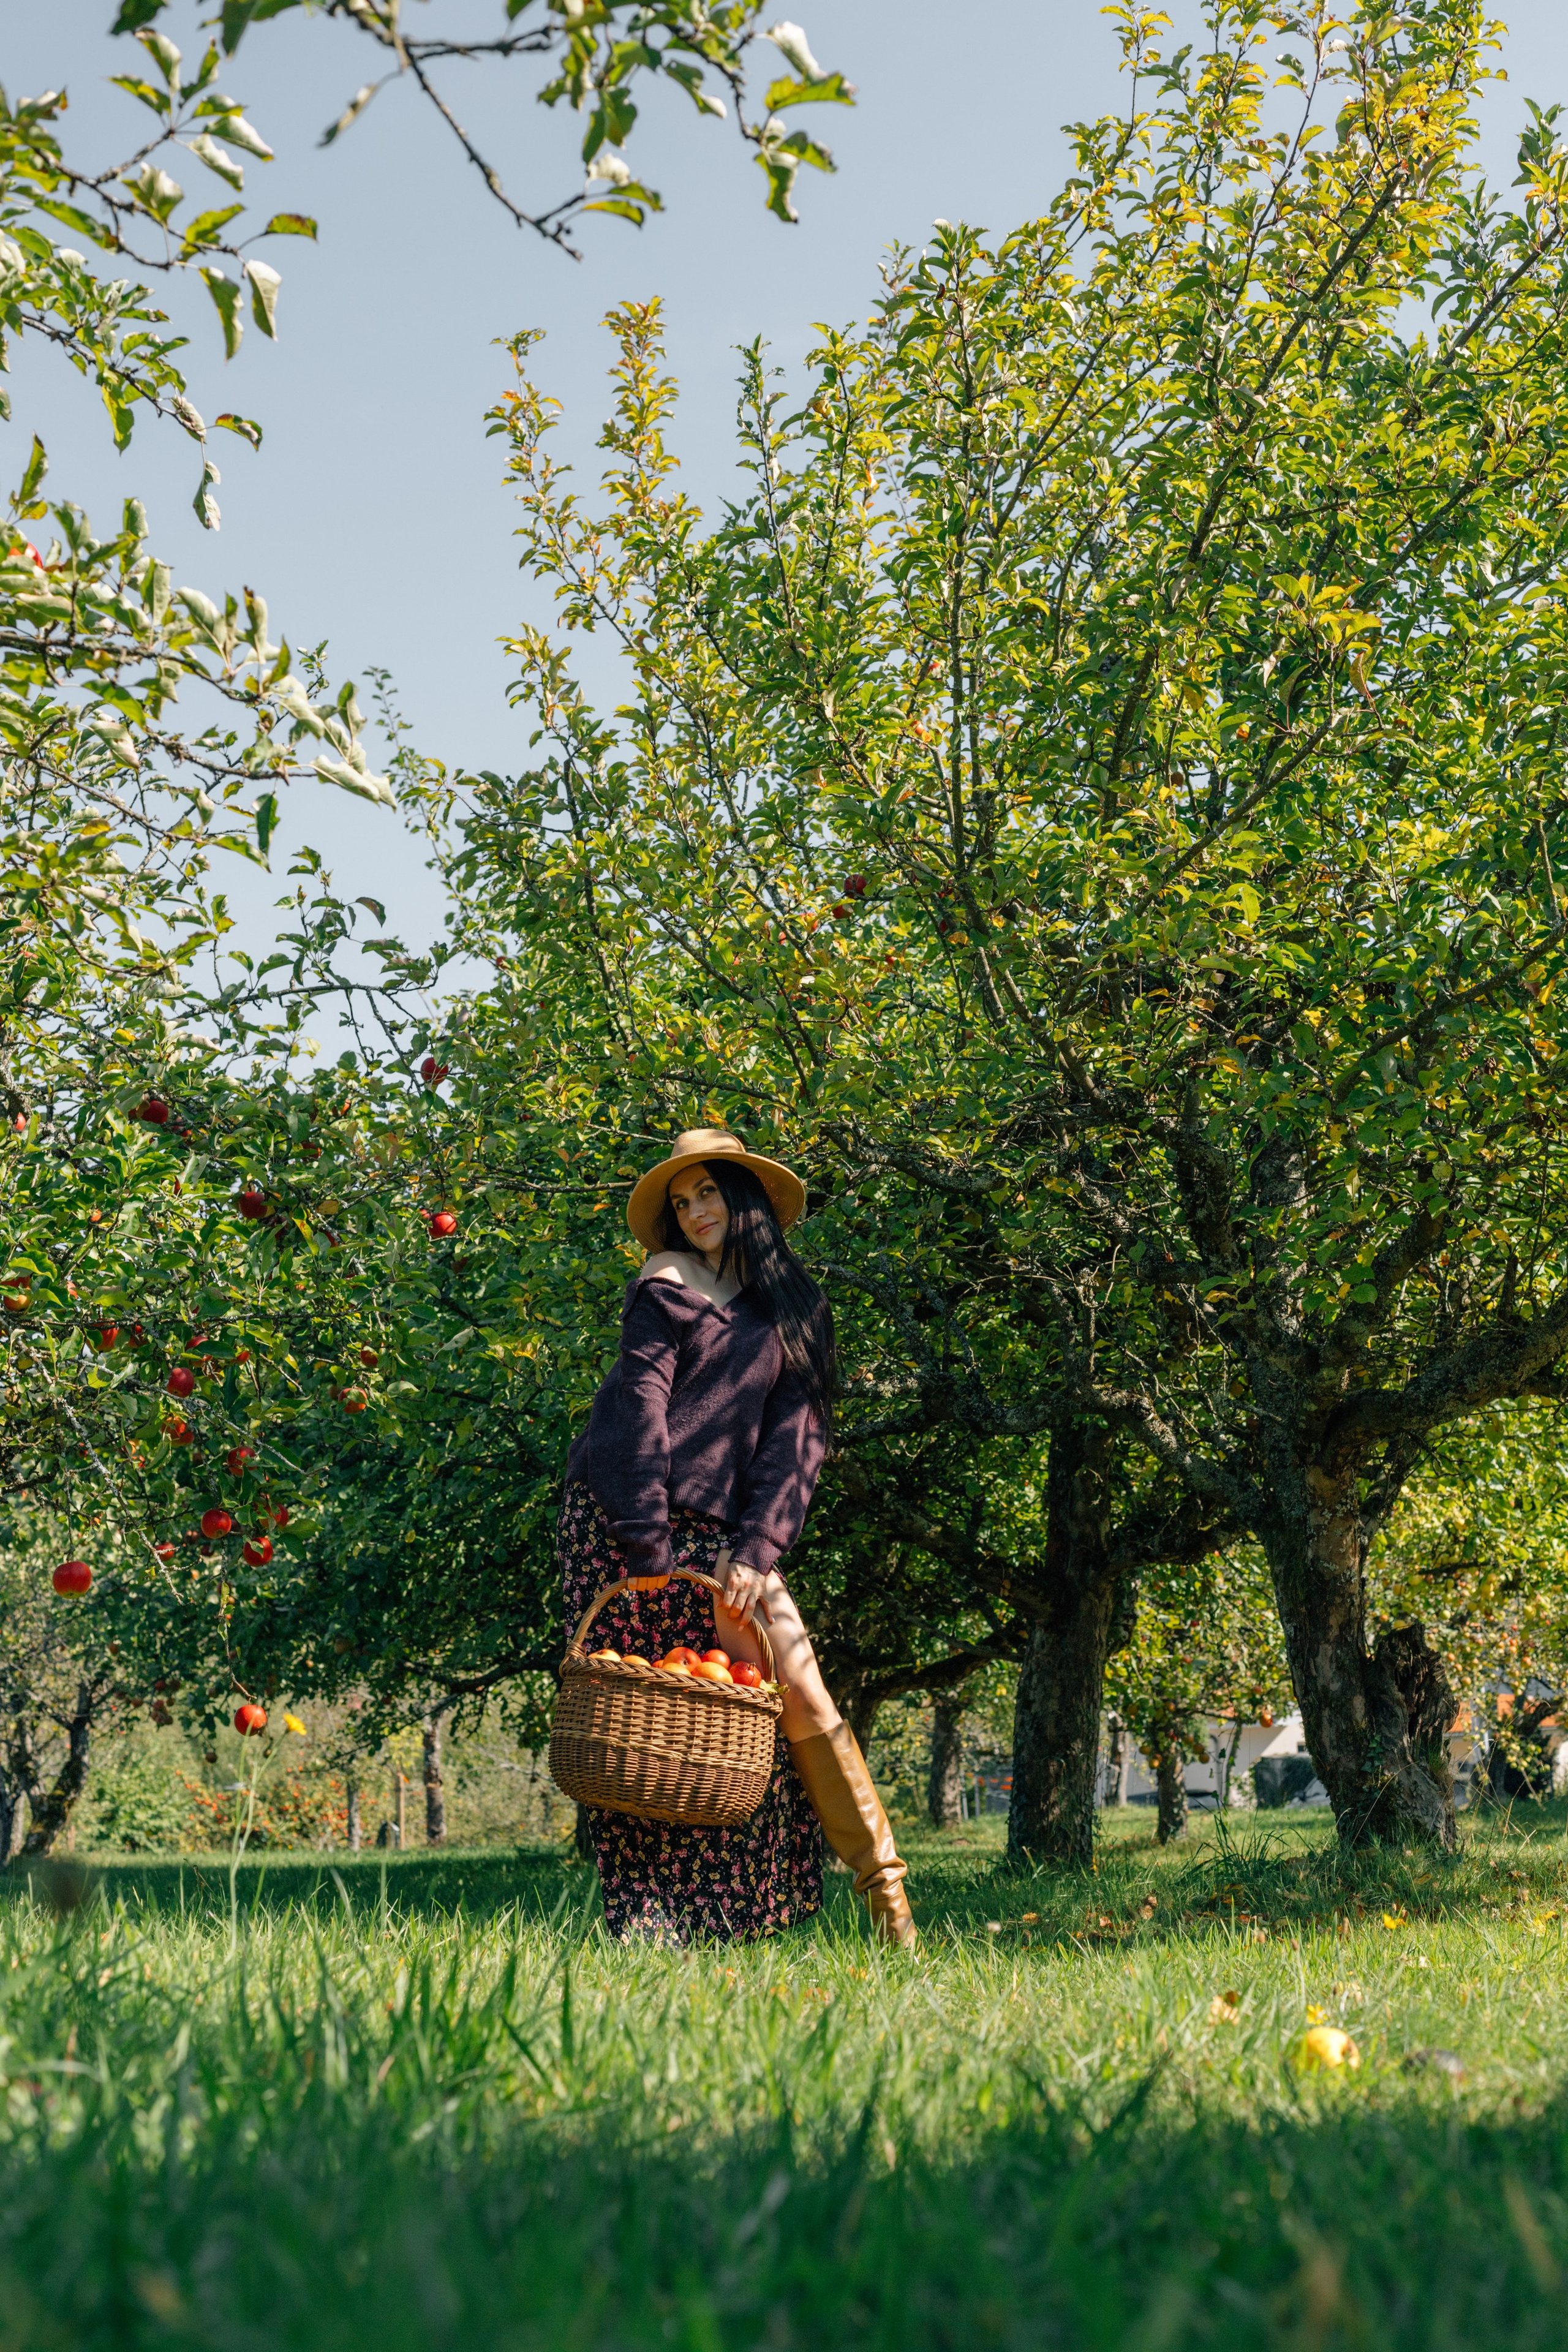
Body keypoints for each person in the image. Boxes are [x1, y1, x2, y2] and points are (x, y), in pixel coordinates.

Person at [559, 1126, 915, 1947]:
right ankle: (659, 1927)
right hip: (625, 1519)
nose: (693, 1213)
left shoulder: (797, 1308)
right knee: (652, 1727)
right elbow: (638, 1407)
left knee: (787, 1689)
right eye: (680, 1203)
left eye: (707, 1192)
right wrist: (649, 1547)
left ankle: (889, 1906)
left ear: (746, 1197)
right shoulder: (666, 1281)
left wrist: (759, 1547)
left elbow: (800, 1440)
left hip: (724, 1532)